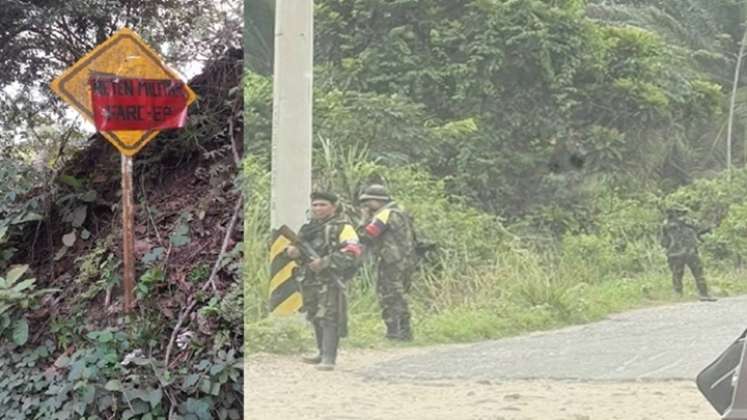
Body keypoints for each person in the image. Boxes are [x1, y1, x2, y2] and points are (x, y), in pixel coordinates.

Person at [285, 191, 362, 370]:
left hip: (330, 279)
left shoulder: (343, 227)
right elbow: (295, 247)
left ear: (333, 207)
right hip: (309, 278)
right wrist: (291, 251)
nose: (318, 208)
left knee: (329, 315)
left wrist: (325, 262)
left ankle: (329, 358)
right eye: (315, 205)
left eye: (323, 205)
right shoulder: (308, 228)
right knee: (314, 314)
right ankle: (321, 352)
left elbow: (353, 252)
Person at [357, 184, 417, 340]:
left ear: (377, 201)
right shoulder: (401, 212)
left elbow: (367, 235)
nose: (367, 206)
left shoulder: (384, 214)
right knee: (400, 293)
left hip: (391, 261)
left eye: (368, 202)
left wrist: (363, 220)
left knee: (389, 295)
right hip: (406, 259)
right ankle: (404, 331)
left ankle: (396, 332)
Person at [660, 205, 716, 302]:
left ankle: (678, 295)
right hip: (690, 252)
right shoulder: (689, 222)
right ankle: (703, 294)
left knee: (677, 275)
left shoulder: (666, 224)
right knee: (698, 273)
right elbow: (701, 229)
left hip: (675, 253)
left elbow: (664, 242)